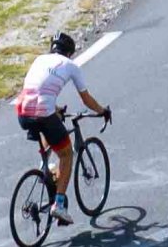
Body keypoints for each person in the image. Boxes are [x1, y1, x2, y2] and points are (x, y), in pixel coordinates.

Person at [13, 31, 108, 219]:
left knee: (46, 125)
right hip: (43, 113)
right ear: (70, 53)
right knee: (66, 153)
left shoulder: (39, 59)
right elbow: (86, 99)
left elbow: (36, 91)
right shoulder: (71, 66)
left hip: (22, 111)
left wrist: (56, 108)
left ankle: (45, 166)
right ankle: (59, 204)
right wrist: (102, 111)